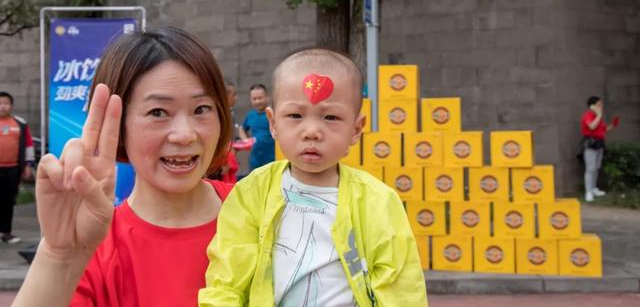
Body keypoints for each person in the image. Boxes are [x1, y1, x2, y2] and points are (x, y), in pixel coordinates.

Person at [12, 27, 232, 307]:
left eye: (201, 109)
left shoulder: (262, 210)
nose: (184, 135)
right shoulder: (91, 244)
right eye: (158, 112)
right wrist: (59, 256)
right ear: (117, 126)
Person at [199, 48, 427, 306]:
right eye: (295, 116)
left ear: (356, 129)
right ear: (273, 123)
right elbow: (227, 280)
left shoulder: (378, 201)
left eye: (331, 117)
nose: (312, 131)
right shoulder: (253, 192)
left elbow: (401, 288)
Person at [0, 91, 35, 244]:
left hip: (13, 169)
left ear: (11, 106)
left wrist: (28, 165)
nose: (2, 106)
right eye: (0, 103)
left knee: (8, 201)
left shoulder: (20, 124)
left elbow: (28, 145)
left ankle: (6, 233)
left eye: (6, 103)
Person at [581, 96, 619, 203]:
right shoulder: (588, 115)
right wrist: (599, 115)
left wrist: (613, 125)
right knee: (590, 168)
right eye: (599, 105)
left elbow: (604, 129)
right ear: (592, 106)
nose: (601, 106)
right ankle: (588, 192)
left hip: (599, 143)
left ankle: (593, 188)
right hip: (591, 144)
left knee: (596, 167)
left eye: (601, 104)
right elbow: (592, 126)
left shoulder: (598, 117)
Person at [239, 83, 275, 171]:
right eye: (254, 99)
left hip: (273, 160)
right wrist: (246, 140)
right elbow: (242, 129)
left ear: (267, 97)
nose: (257, 101)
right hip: (255, 161)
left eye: (260, 98)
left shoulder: (273, 113)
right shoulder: (250, 115)